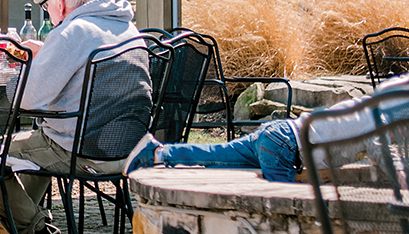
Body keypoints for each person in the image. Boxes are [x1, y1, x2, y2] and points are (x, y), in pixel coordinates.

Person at [0, 0, 147, 234]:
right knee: (26, 151)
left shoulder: (71, 33)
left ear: (61, 2)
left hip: (78, 149)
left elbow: (27, 99)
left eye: (47, 3)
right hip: (126, 149)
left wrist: (14, 73)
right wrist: (47, 55)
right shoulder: (126, 27)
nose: (47, 11)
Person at [124, 73, 409, 182]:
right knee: (287, 213)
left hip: (278, 134)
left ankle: (158, 152)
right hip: (286, 149)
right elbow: (389, 162)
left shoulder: (365, 107)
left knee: (216, 153)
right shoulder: (377, 121)